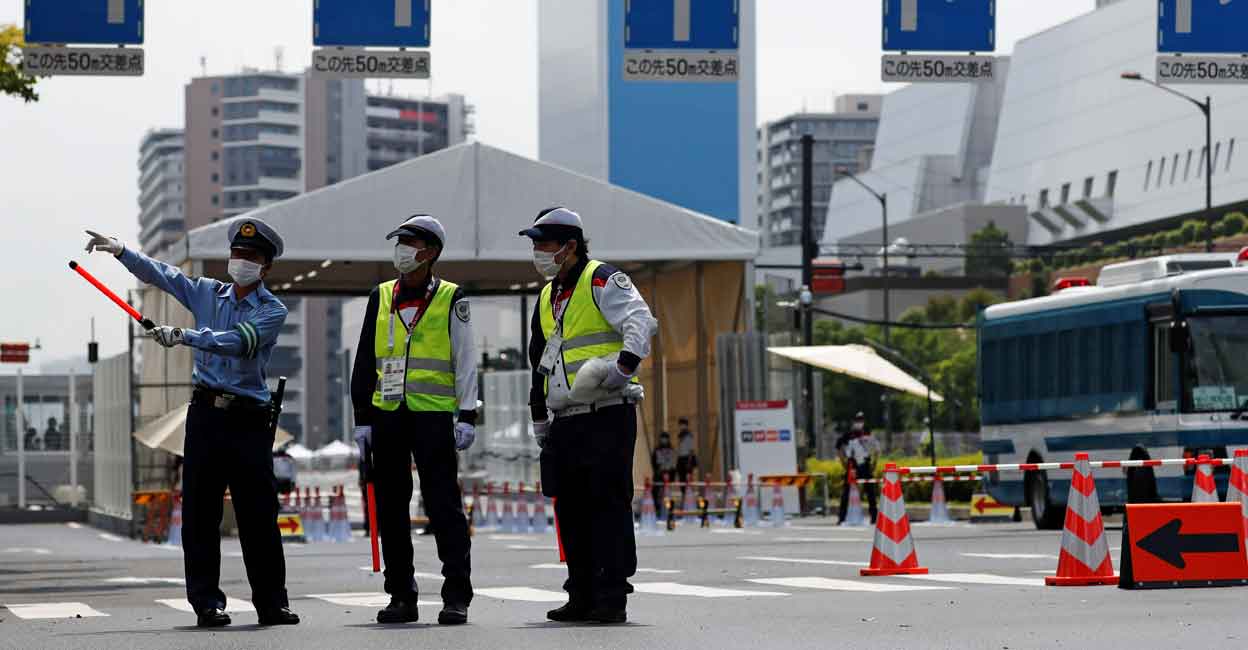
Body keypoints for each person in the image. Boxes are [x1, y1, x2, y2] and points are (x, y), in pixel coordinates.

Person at [85, 220, 298, 628]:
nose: (241, 262)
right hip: (205, 416)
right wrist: (121, 251)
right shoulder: (207, 293)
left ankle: (272, 603)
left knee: (258, 515)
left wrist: (186, 336)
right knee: (201, 513)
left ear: (265, 267)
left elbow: (240, 341)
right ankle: (207, 603)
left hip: (249, 419)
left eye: (251, 257)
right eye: (237, 254)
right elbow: (163, 276)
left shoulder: (273, 310)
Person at [522, 207, 658, 624]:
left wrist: (623, 368)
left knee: (606, 505)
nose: (538, 252)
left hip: (606, 413)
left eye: (544, 244)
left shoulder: (602, 278)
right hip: (565, 419)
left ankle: (612, 595)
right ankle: (580, 592)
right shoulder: (547, 294)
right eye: (535, 244)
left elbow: (641, 321)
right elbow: (539, 361)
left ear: (570, 246)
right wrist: (539, 414)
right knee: (571, 509)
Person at [350, 215, 478, 625]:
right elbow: (365, 359)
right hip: (387, 416)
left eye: (410, 243)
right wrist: (361, 417)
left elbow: (465, 358)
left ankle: (456, 594)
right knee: (390, 508)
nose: (401, 249)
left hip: (433, 416)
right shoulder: (381, 295)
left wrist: (469, 412)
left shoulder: (451, 297)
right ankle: (401, 595)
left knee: (444, 507)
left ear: (431, 252)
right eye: (399, 242)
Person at [836, 412, 880, 524]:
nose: (859, 423)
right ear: (853, 421)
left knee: (870, 491)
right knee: (846, 492)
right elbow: (839, 448)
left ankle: (874, 517)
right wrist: (844, 463)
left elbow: (877, 449)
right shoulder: (848, 435)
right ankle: (842, 518)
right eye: (857, 420)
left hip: (865, 465)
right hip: (852, 466)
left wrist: (874, 463)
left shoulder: (868, 434)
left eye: (861, 420)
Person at [650, 432, 677, 512]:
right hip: (659, 473)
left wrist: (671, 473)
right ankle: (657, 508)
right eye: (662, 438)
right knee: (656, 491)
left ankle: (669, 509)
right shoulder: (657, 450)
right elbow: (654, 462)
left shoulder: (671, 450)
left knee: (668, 493)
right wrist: (658, 470)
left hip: (669, 474)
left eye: (665, 438)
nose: (664, 440)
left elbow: (673, 463)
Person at [676, 418, 698, 497]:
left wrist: (689, 462)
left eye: (682, 425)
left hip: (686, 459)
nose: (681, 427)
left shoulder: (688, 435)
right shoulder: (680, 435)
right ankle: (684, 495)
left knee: (687, 479)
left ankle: (689, 496)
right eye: (680, 425)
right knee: (682, 479)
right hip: (681, 459)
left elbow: (691, 450)